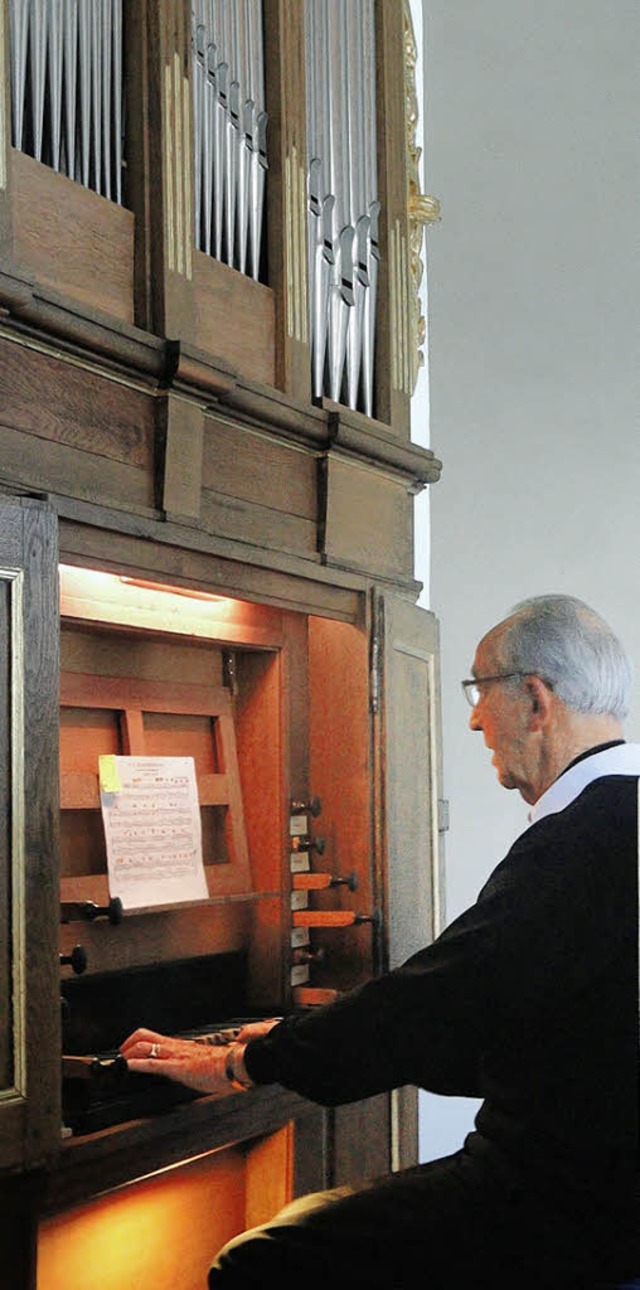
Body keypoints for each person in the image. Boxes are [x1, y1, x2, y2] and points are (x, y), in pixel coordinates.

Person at [121, 594, 640, 1290]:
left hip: (576, 1207)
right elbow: (519, 1019)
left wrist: (245, 1063)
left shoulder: (583, 841)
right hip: (604, 1188)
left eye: (479, 690)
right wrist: (299, 1035)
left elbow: (442, 1000)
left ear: (536, 699)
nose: (474, 718)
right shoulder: (615, 820)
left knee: (264, 1262)